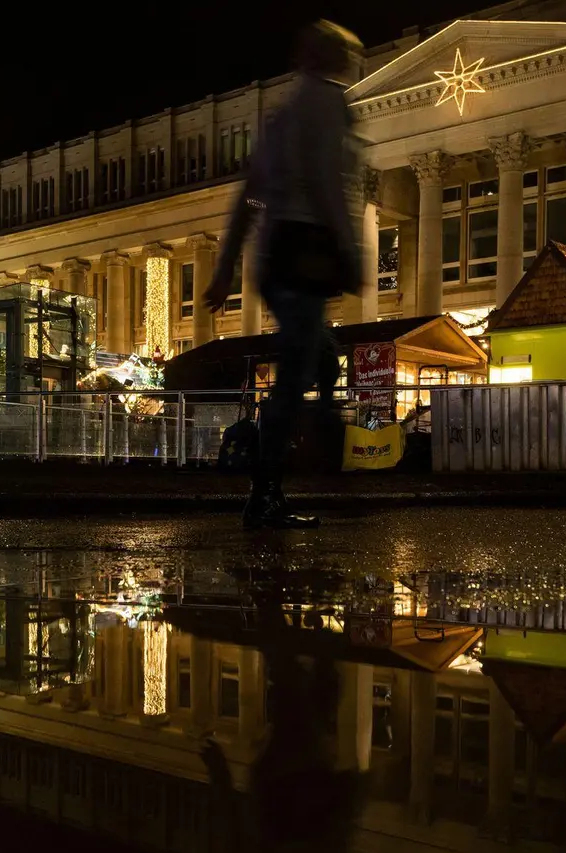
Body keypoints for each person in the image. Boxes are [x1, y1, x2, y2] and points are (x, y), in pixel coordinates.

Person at [205, 19, 362, 530]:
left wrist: (227, 268)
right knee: (298, 372)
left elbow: (248, 197)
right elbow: (327, 183)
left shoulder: (282, 116)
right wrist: (350, 248)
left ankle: (291, 450)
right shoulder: (327, 104)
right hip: (305, 250)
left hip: (276, 256)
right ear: (335, 58)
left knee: (317, 356)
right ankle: (266, 492)